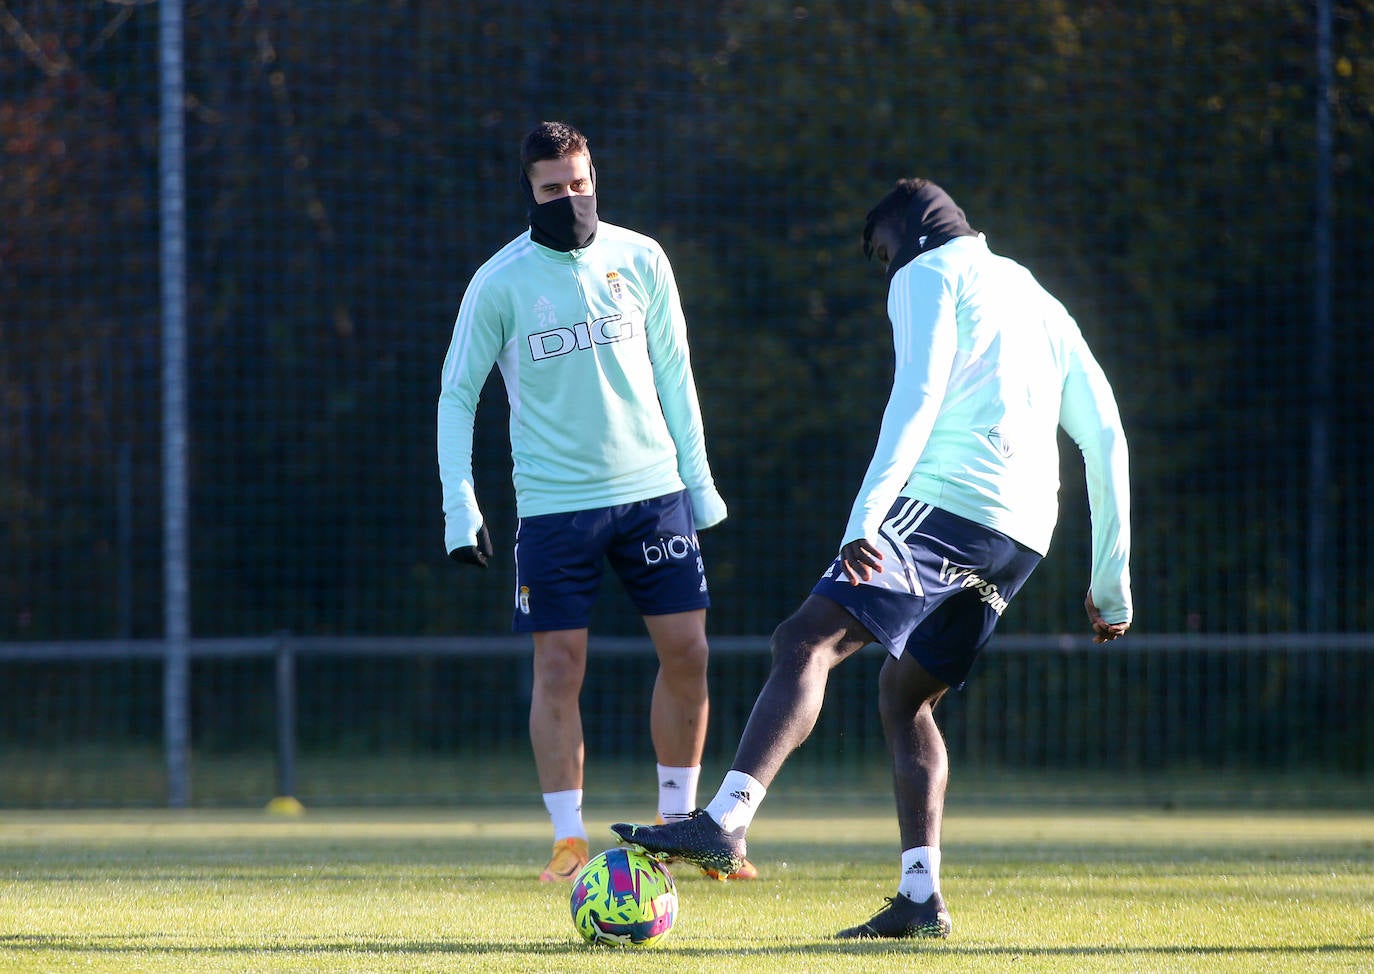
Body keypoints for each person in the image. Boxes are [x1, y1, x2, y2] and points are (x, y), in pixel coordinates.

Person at [612, 178, 1131, 936]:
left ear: (907, 233)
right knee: (905, 696)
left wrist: (869, 515)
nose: (885, 269)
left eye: (882, 252)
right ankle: (921, 898)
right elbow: (1106, 432)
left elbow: (916, 395)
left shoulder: (928, 272)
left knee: (805, 639)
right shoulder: (1036, 296)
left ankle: (723, 822)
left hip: (950, 500)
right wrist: (1110, 584)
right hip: (1022, 534)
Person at [437, 120, 756, 883]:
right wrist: (461, 504)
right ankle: (568, 840)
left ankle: (683, 827)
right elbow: (457, 394)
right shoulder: (500, 281)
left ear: (593, 176)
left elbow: (676, 375)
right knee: (559, 668)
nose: (570, 198)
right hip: (554, 508)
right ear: (530, 191)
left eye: (580, 183)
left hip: (653, 494)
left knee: (689, 654)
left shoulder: (640, 258)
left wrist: (700, 483)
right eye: (553, 188)